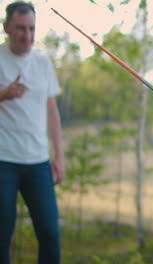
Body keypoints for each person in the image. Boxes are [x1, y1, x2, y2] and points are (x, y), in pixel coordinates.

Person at [0, 1, 64, 264]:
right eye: (20, 28)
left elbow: (52, 111)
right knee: (3, 235)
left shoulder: (42, 62)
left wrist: (59, 155)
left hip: (37, 161)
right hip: (3, 160)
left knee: (50, 232)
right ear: (6, 27)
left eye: (31, 28)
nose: (27, 35)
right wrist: (4, 94)